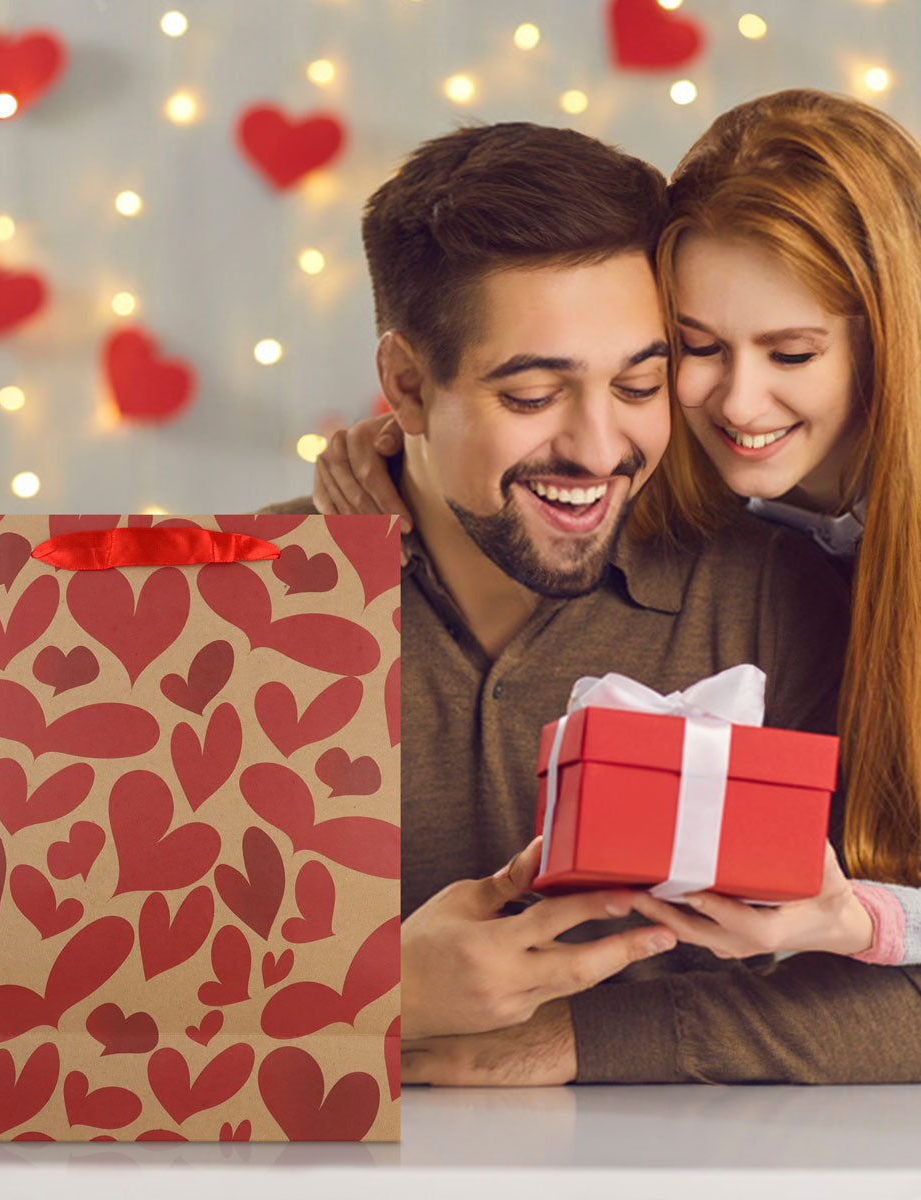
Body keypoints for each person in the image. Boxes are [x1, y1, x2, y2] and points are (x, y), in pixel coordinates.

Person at [264, 114, 921, 1085]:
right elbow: (15, 996)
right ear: (405, 385)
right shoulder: (235, 599)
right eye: (533, 395)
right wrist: (376, 991)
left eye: (639, 382)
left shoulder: (776, 600)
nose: (599, 445)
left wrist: (579, 1042)